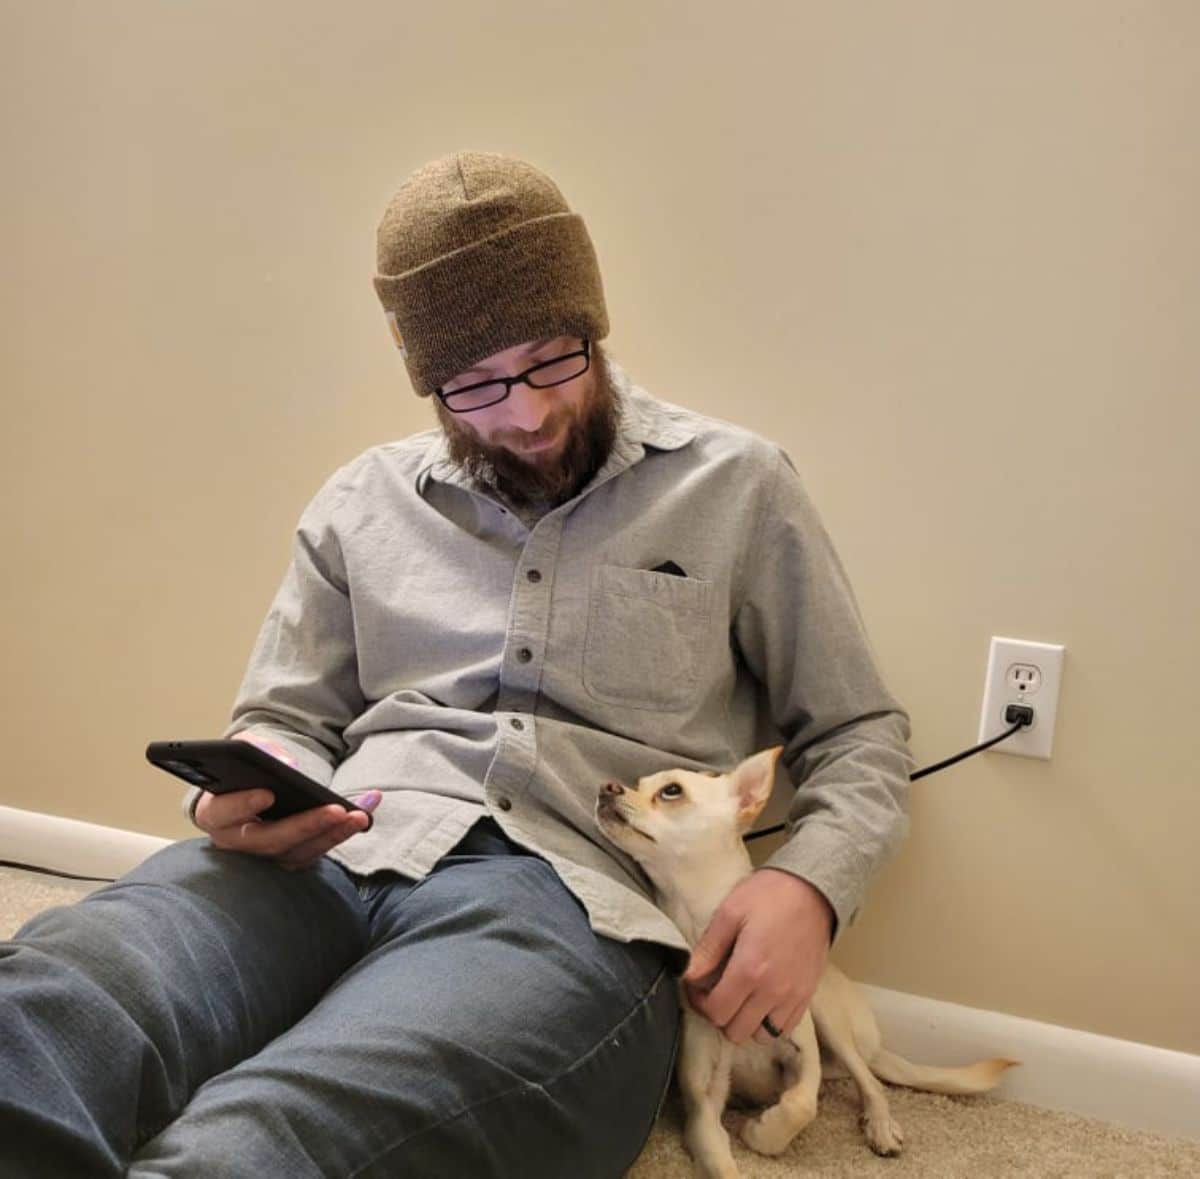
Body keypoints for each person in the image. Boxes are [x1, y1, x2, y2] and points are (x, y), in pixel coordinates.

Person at [0, 151, 913, 1177]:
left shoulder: (737, 486)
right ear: (425, 378)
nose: (524, 413)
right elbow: (284, 716)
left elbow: (858, 734)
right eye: (474, 382)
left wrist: (812, 890)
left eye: (553, 358)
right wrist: (247, 785)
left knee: (283, 1136)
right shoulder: (361, 501)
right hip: (332, 855)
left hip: (565, 900)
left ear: (595, 327)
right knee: (47, 1006)